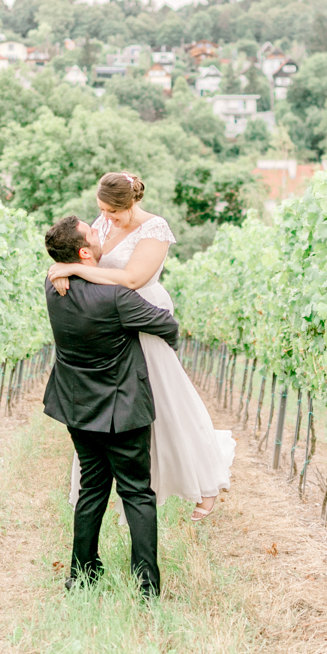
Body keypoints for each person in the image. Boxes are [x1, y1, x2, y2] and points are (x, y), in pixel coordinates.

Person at [48, 172, 235, 521]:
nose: (106, 218)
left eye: (112, 212)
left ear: (130, 203)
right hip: (110, 319)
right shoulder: (101, 227)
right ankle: (120, 487)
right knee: (120, 405)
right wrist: (61, 269)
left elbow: (133, 279)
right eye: (100, 210)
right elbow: (86, 257)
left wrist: (73, 268)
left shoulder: (155, 230)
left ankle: (205, 482)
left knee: (166, 397)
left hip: (142, 314)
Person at [41, 215, 179, 598]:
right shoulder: (117, 297)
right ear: (85, 251)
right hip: (123, 409)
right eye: (93, 231)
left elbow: (64, 272)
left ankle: (81, 574)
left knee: (92, 488)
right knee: (137, 492)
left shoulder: (54, 287)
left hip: (76, 405)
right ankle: (146, 586)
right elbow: (167, 325)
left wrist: (61, 267)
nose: (100, 231)